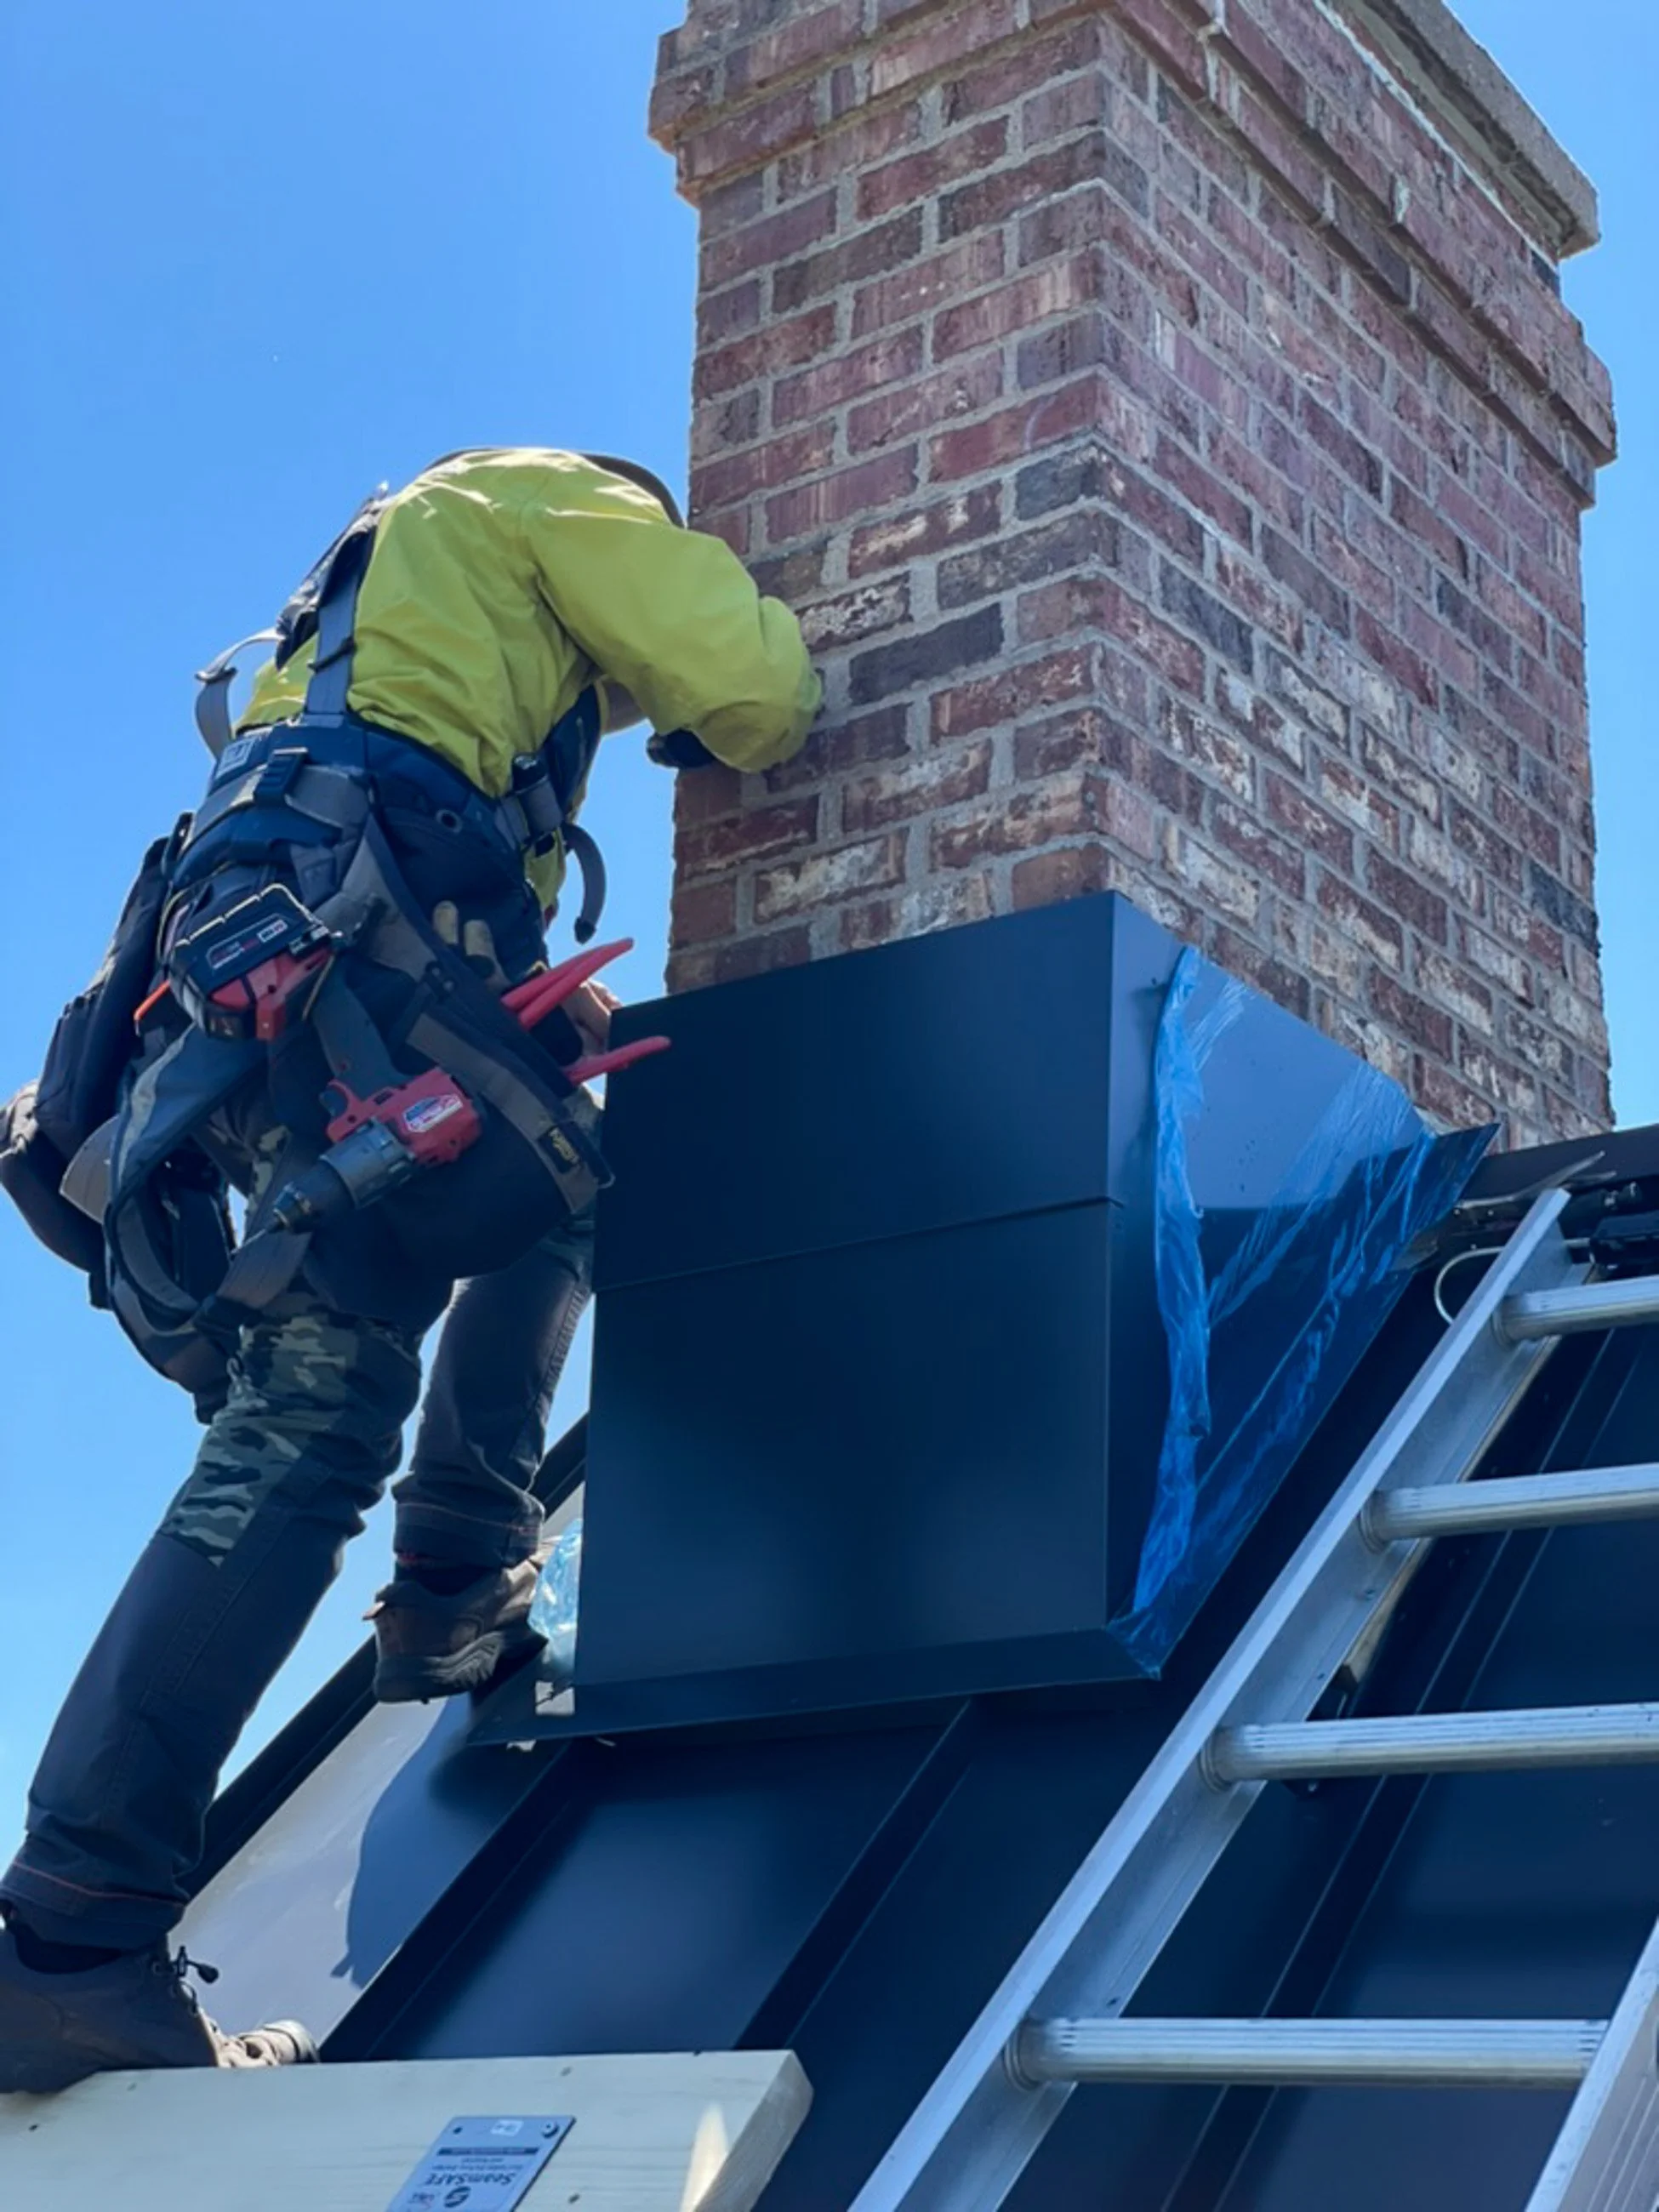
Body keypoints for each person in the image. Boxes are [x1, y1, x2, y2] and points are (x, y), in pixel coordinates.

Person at [0, 447, 819, 2091]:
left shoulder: (350, 605)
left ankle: (449, 1591)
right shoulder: (548, 500)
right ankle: (74, 1936)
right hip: (358, 974)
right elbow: (759, 694)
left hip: (263, 997)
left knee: (540, 1195)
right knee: (318, 1420)